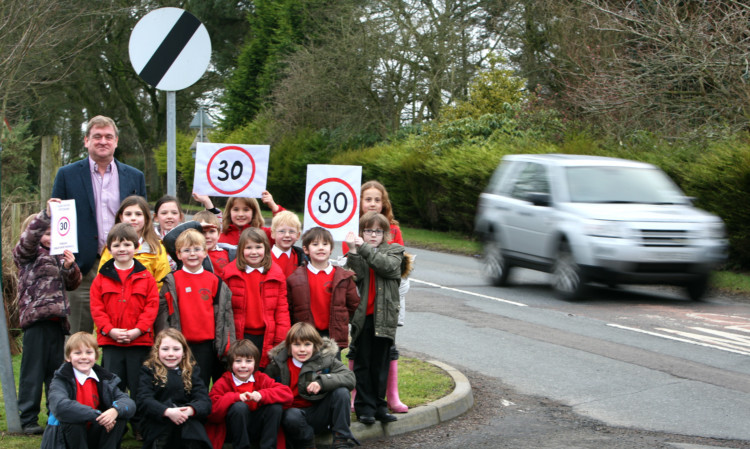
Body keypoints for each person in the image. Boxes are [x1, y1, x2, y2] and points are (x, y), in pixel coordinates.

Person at [51, 115, 146, 334]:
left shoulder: (134, 177)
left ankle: (115, 370)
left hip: (123, 263)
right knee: (79, 336)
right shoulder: (67, 175)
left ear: (116, 141)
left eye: (108, 137)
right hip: (82, 266)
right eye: (97, 136)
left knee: (122, 330)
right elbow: (57, 221)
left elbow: (142, 222)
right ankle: (78, 369)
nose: (103, 141)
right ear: (86, 141)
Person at [14, 199, 82, 435]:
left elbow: (72, 284)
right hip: (36, 321)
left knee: (55, 373)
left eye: (55, 231)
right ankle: (28, 418)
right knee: (32, 372)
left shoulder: (59, 254)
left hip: (58, 322)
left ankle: (55, 413)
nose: (50, 237)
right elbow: (28, 241)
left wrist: (69, 267)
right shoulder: (28, 256)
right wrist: (46, 214)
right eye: (46, 232)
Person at [343, 180, 410, 413]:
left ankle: (387, 399)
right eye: (367, 199)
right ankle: (360, 401)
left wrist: (364, 248)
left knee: (384, 354)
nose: (372, 204)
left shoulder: (392, 235)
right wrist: (355, 248)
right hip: (362, 305)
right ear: (359, 202)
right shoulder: (353, 232)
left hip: (387, 302)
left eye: (377, 199)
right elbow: (354, 271)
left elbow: (394, 266)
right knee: (360, 354)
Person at [90, 223, 159, 411]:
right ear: (109, 249)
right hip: (112, 342)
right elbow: (97, 308)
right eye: (117, 245)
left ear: (136, 247)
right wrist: (109, 330)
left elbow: (151, 307)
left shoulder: (146, 277)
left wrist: (138, 330)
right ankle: (115, 424)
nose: (122, 249)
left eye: (127, 244)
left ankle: (139, 424)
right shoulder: (101, 278)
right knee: (113, 385)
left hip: (139, 341)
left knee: (139, 385)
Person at [155, 229, 235, 387]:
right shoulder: (172, 281)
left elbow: (225, 316)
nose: (192, 254)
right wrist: (165, 340)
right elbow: (163, 316)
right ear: (178, 254)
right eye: (186, 250)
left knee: (204, 385)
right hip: (181, 345)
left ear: (205, 252)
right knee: (182, 385)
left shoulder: (215, 281)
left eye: (197, 249)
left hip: (208, 345)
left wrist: (225, 345)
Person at [265, 322, 359, 449]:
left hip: (319, 411)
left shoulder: (326, 359)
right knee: (291, 416)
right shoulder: (277, 365)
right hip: (293, 418)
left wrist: (322, 382)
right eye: (297, 344)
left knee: (341, 392)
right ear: (288, 346)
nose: (302, 349)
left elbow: (350, 378)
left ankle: (341, 438)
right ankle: (307, 441)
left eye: (307, 344)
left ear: (315, 346)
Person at [40, 332, 135, 449]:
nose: (84, 357)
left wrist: (115, 411)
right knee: (74, 419)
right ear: (68, 357)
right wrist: (98, 416)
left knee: (119, 416)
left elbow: (128, 402)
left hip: (94, 429)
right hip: (67, 436)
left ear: (96, 357)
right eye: (78, 353)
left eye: (88, 352)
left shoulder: (105, 378)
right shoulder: (61, 379)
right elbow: (61, 406)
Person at [205, 339, 293, 449]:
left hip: (256, 427)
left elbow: (287, 394)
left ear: (255, 363)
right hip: (232, 430)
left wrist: (262, 395)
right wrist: (235, 397)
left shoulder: (260, 378)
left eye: (248, 361)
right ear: (231, 363)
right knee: (239, 407)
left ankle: (269, 446)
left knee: (275, 407)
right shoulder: (224, 382)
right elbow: (212, 410)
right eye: (238, 361)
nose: (243, 365)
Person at [224, 227, 291, 369]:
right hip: (240, 335)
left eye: (258, 247)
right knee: (241, 374)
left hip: (267, 335)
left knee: (263, 375)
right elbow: (224, 312)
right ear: (241, 250)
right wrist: (228, 342)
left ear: (266, 249)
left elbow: (282, 311)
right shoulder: (229, 273)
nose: (254, 252)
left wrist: (280, 342)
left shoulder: (276, 274)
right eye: (248, 247)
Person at [287, 227, 359, 357]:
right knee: (308, 374)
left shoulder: (343, 277)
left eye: (325, 244)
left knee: (331, 373)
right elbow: (289, 309)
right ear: (306, 250)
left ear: (331, 249)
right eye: (315, 244)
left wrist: (344, 322)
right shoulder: (295, 279)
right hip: (306, 336)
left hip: (333, 335)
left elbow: (353, 306)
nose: (321, 248)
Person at [137, 328, 212, 449]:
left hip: (186, 419)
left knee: (194, 432)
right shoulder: (149, 370)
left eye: (176, 349)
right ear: (157, 351)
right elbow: (144, 400)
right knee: (164, 431)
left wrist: (189, 411)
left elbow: (204, 401)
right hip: (159, 420)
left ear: (184, 352)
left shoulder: (192, 370)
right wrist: (167, 412)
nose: (170, 353)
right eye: (165, 349)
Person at [98, 195, 171, 290]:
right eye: (128, 214)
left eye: (138, 214)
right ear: (121, 217)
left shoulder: (156, 247)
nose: (133, 218)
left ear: (146, 217)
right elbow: (101, 280)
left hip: (146, 302)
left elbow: (162, 282)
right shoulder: (111, 247)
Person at [193, 210, 233, 279]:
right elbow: (171, 238)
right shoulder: (192, 255)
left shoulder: (229, 253)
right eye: (202, 232)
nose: (207, 236)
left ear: (219, 234)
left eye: (212, 231)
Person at [270, 211, 307, 278]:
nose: (287, 235)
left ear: (298, 235)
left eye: (291, 231)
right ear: (273, 234)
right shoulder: (264, 257)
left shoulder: (302, 256)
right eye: (282, 231)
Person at [153, 195, 185, 271]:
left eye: (174, 213)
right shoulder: (150, 237)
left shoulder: (186, 236)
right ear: (156, 217)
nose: (169, 216)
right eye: (164, 213)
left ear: (180, 217)